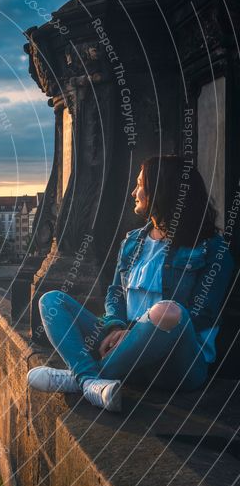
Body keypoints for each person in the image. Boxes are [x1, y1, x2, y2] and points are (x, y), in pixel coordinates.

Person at [28, 155, 234, 412]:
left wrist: (133, 332)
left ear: (161, 191)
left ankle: (81, 377)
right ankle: (91, 381)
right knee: (51, 300)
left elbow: (201, 316)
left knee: (168, 312)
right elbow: (115, 293)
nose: (135, 192)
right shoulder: (133, 241)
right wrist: (116, 325)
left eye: (140, 185)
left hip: (177, 364)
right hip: (123, 347)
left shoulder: (212, 249)